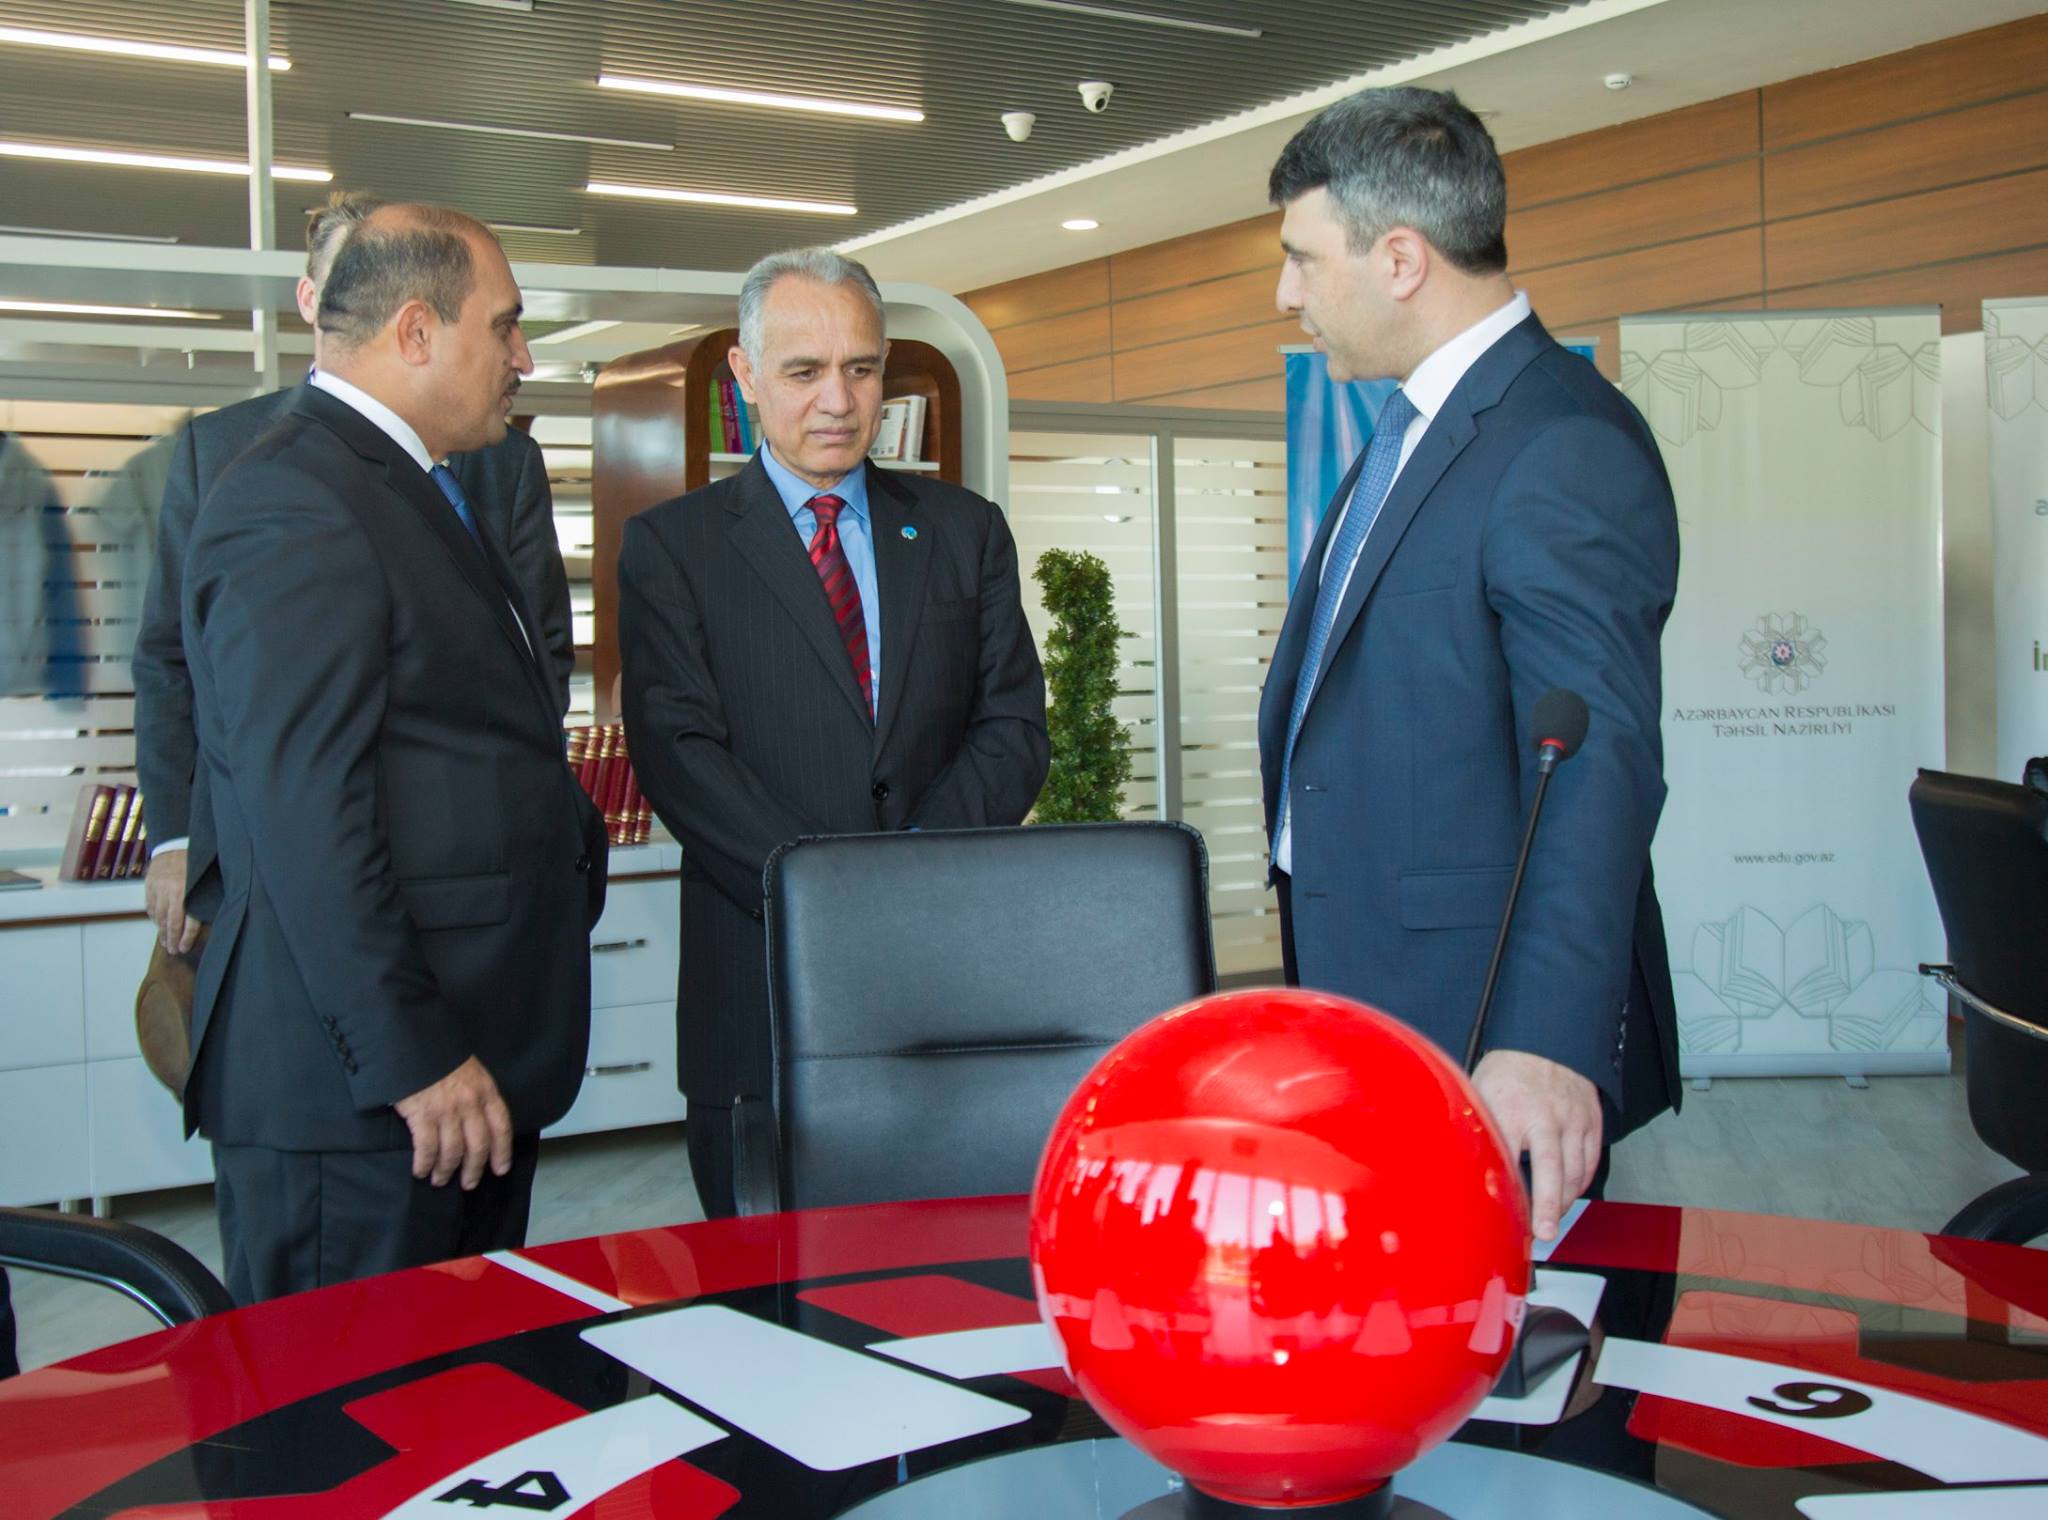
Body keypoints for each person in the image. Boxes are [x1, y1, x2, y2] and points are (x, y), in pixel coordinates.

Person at [1258, 87, 1681, 1241]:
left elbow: (1592, 761)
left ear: (1400, 259)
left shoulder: (1559, 442)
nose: (1286, 293)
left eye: (1301, 258)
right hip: (1375, 989)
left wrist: (1542, 1037)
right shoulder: (1418, 426)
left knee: (1498, 1342)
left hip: (1481, 1013)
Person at [180, 203, 607, 1302]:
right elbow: (304, 816)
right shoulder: (295, 500)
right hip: (370, 1101)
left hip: (462, 1070)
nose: (523, 358)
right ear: (416, 331)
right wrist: (413, 1054)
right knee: (349, 1400)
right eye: (504, 325)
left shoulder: (406, 483)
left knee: (465, 1391)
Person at [619, 247, 1049, 1219]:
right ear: (744, 374)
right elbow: (680, 757)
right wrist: (825, 894)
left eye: (860, 368)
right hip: (759, 996)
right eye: (804, 370)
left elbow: (1012, 727)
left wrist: (906, 875)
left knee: (941, 1272)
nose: (838, 401)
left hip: (940, 986)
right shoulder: (673, 547)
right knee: (766, 1286)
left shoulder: (964, 529)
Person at [133, 190, 573, 959]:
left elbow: (536, 653)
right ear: (321, 302)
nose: (522, 357)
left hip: (476, 906)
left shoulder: (499, 459)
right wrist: (175, 834)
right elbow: (179, 665)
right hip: (316, 898)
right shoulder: (248, 465)